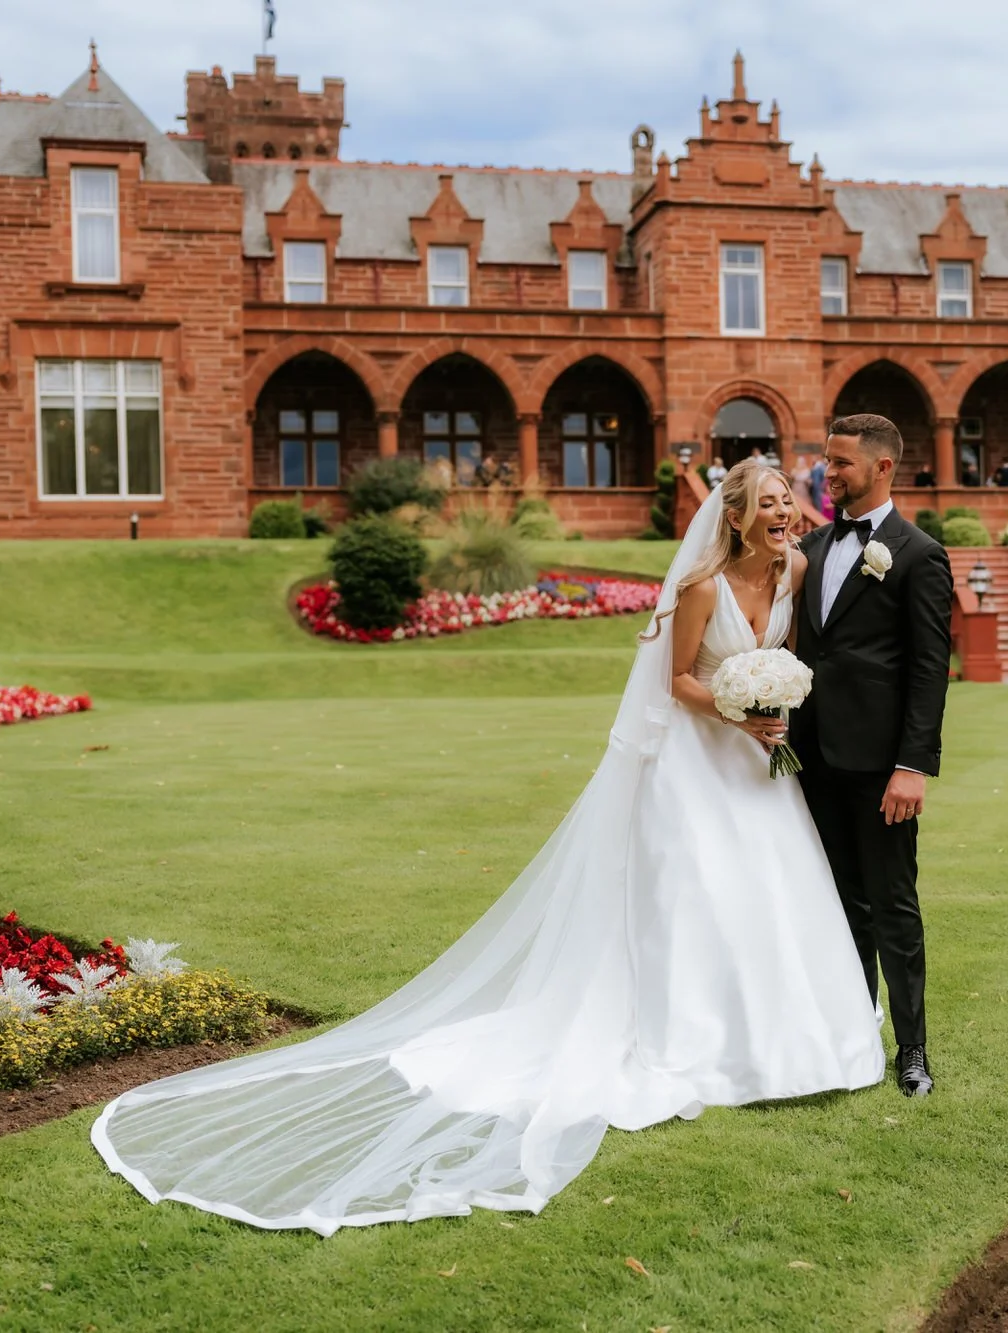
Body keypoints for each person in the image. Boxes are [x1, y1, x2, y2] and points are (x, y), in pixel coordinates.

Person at [93, 463, 884, 1234]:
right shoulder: (701, 587)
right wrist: (739, 710)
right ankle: (694, 1042)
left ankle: (790, 1043)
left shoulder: (797, 569)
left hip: (756, 768)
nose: (786, 513)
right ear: (736, 514)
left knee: (770, 894)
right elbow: (675, 679)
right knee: (696, 894)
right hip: (699, 760)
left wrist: (774, 702)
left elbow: (804, 652)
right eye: (771, 504)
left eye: (789, 501)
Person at [793, 413, 953, 1102]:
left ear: (883, 467)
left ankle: (911, 1050)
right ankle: (854, 1031)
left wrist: (912, 766)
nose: (829, 472)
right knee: (836, 905)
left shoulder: (917, 554)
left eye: (842, 463)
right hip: (809, 760)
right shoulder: (813, 544)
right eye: (828, 461)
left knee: (892, 905)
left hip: (882, 768)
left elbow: (928, 670)